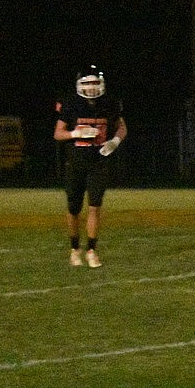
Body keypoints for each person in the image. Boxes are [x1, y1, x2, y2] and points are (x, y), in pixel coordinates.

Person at [53, 65, 127, 268]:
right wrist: (74, 134)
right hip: (75, 163)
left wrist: (115, 142)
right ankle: (74, 249)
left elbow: (121, 127)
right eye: (87, 83)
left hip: (99, 163)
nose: (92, 88)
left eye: (95, 83)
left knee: (94, 207)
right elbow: (58, 134)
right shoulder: (71, 105)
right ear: (79, 85)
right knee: (73, 208)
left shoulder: (109, 104)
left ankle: (92, 250)